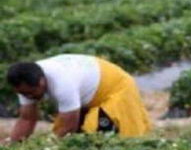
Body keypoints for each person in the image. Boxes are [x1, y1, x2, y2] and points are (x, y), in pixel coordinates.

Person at [4, 54, 152, 143]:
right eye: (24, 94)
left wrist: (48, 148)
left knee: (97, 136)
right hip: (88, 92)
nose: (29, 97)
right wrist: (13, 144)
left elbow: (68, 127)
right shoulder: (24, 83)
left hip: (116, 88)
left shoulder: (62, 82)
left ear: (41, 81)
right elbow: (27, 119)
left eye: (31, 93)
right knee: (75, 137)